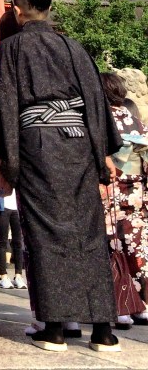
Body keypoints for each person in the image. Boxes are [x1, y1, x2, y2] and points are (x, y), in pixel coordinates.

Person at [0, 0, 122, 353]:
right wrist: (101, 153)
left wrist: (8, 160)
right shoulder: (73, 47)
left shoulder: (11, 49)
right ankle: (103, 331)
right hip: (79, 143)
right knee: (90, 232)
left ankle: (55, 329)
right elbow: (95, 102)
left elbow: (6, 105)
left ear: (17, 9)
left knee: (46, 233)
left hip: (37, 146)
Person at [99, 72, 148, 327]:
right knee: (137, 248)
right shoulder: (135, 119)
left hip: (111, 190)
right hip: (136, 190)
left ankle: (122, 307)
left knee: (113, 248)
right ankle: (142, 304)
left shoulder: (102, 119)